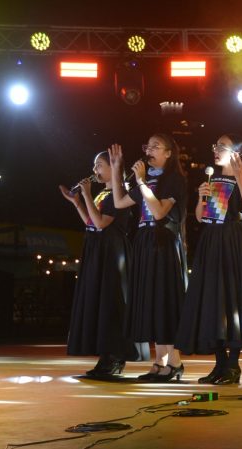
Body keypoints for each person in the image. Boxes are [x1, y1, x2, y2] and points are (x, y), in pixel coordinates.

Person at [175, 134, 242, 385]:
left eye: (221, 147)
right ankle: (219, 365)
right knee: (211, 301)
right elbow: (199, 217)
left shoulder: (240, 176)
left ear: (235, 151)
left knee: (232, 302)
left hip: (232, 241)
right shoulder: (209, 178)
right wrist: (200, 197)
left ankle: (233, 366)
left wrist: (239, 176)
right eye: (214, 146)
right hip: (210, 241)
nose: (215, 150)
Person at [109, 134, 188, 382]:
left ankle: (174, 362)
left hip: (163, 242)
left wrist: (142, 181)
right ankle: (160, 361)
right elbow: (119, 201)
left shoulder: (174, 179)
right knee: (151, 300)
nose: (149, 149)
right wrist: (116, 169)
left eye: (155, 146)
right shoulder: (147, 178)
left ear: (168, 153)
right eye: (147, 145)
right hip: (144, 241)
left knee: (164, 300)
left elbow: (158, 211)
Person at [59, 150, 137, 377]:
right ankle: (106, 357)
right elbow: (91, 222)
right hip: (97, 249)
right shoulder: (104, 193)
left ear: (113, 167)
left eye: (99, 165)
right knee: (99, 302)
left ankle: (114, 357)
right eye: (94, 166)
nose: (95, 170)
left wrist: (85, 195)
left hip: (112, 252)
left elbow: (102, 223)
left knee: (111, 304)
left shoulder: (119, 193)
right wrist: (77, 202)